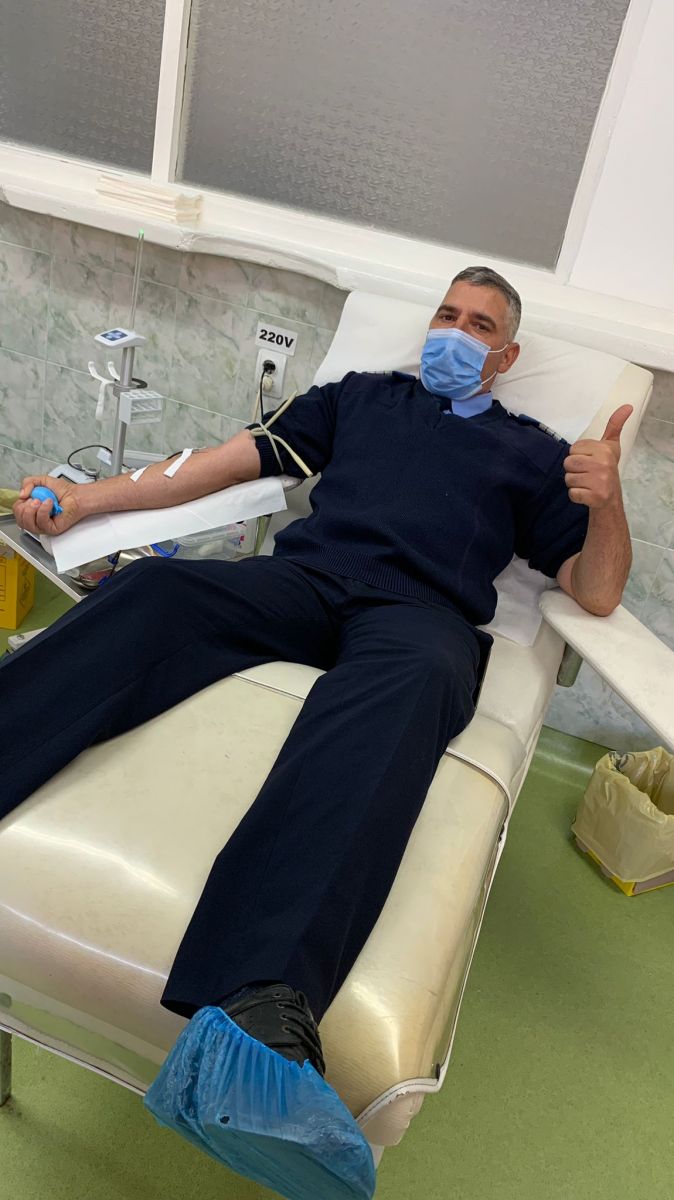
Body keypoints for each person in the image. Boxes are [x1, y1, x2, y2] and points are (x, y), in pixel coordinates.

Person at [3, 265, 633, 1200]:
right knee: (158, 588)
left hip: (420, 619)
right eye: (446, 314)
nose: (454, 332)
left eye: (479, 325)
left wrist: (607, 501)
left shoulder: (534, 455)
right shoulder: (359, 398)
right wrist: (87, 498)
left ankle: (257, 1013)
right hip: (303, 580)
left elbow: (596, 589)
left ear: (504, 358)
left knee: (410, 688)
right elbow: (226, 462)